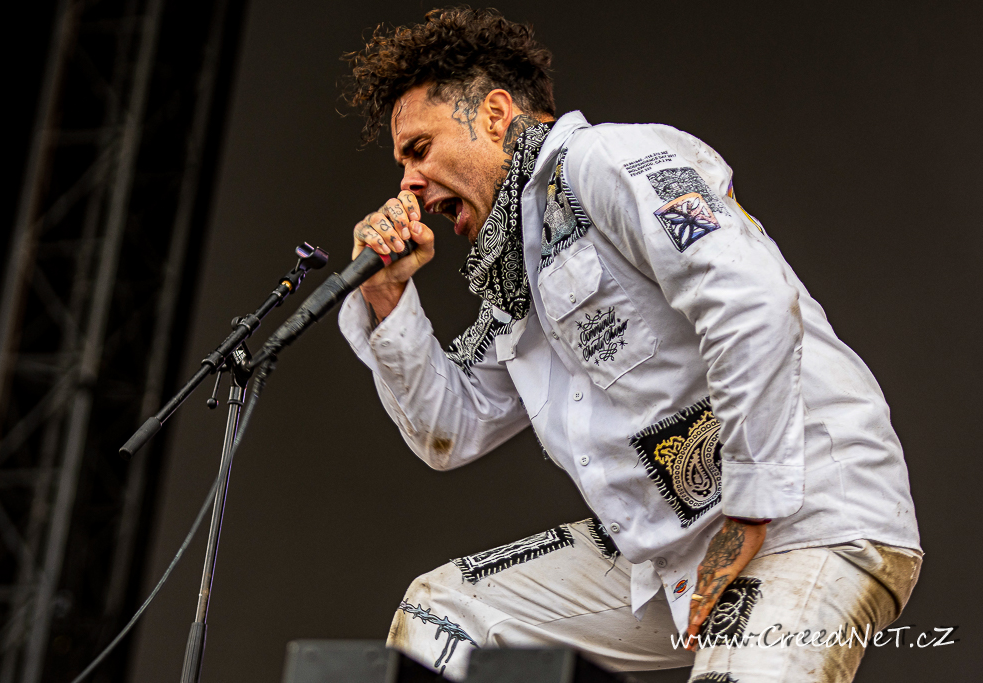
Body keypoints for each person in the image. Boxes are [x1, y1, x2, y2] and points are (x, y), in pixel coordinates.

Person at [336, 8, 921, 682]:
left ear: (495, 115)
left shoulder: (605, 160)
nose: (407, 183)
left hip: (805, 515)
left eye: (419, 149)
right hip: (675, 553)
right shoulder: (515, 271)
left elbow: (751, 299)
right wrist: (386, 296)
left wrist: (749, 507)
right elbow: (452, 429)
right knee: (444, 615)